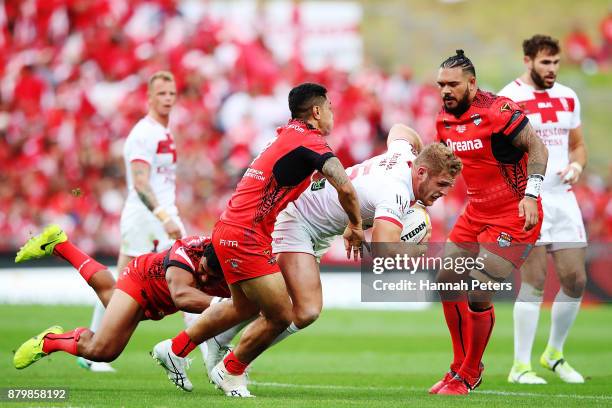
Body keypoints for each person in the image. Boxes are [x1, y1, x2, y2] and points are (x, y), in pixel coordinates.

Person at [151, 82, 365, 397]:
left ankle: (175, 348)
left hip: (230, 228)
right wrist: (357, 225)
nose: (333, 114)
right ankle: (231, 372)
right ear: (317, 112)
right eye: (330, 108)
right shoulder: (310, 141)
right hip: (246, 235)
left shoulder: (284, 136)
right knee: (282, 314)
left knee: (243, 307)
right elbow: (345, 186)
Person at [203, 125, 463, 375]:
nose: (444, 192)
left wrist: (423, 151)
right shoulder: (395, 190)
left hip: (320, 224)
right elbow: (383, 251)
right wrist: (415, 253)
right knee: (305, 310)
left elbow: (400, 129)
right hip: (300, 220)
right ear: (421, 173)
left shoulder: (404, 155)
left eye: (448, 186)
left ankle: (216, 338)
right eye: (441, 184)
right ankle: (231, 365)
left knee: (272, 302)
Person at [430, 50, 549, 395]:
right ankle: (456, 367)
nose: (445, 91)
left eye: (452, 84)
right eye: (441, 85)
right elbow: (446, 163)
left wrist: (532, 193)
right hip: (476, 211)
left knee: (480, 284)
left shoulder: (499, 111)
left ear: (472, 83)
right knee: (448, 278)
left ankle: (470, 373)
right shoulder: (444, 120)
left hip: (515, 213)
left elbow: (538, 148)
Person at [13, 225, 228, 392]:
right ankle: (49, 341)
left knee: (109, 296)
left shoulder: (233, 268)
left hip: (157, 300)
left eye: (212, 277)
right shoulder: (188, 249)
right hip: (140, 282)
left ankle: (59, 244)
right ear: (202, 255)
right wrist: (222, 305)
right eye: (203, 270)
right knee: (103, 350)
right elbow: (181, 296)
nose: (204, 278)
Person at [81, 70, 186, 372]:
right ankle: (197, 350)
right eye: (161, 94)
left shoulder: (164, 132)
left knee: (122, 287)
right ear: (149, 98)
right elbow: (140, 183)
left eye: (171, 94)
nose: (167, 99)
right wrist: (164, 216)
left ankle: (90, 350)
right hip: (148, 219)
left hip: (157, 216)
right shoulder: (145, 133)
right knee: (187, 274)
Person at [499, 35, 587, 385]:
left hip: (564, 198)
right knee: (534, 281)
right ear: (528, 61)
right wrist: (518, 192)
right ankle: (520, 365)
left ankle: (553, 353)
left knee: (575, 280)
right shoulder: (510, 98)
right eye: (545, 62)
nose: (551, 69)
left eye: (556, 62)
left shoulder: (568, 96)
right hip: (529, 199)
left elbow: (578, 146)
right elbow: (501, 154)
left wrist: (577, 167)